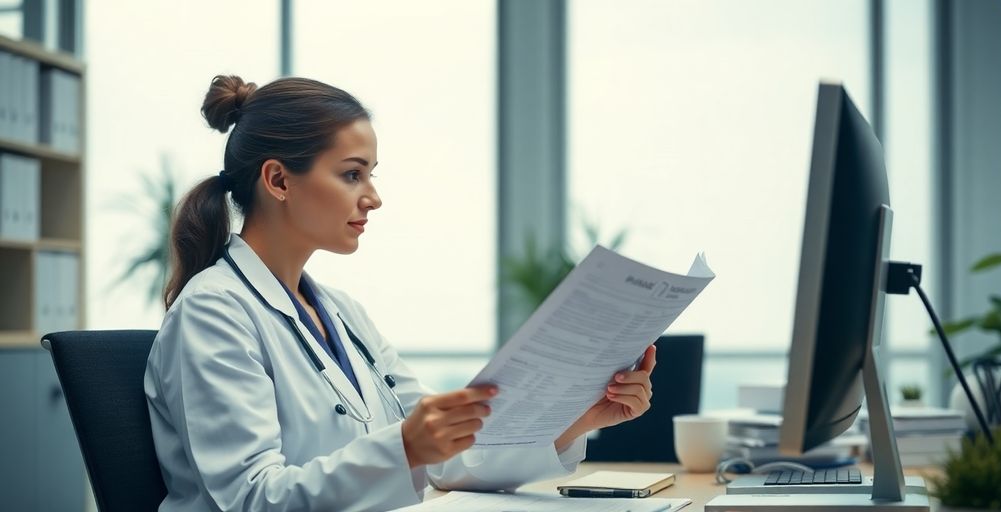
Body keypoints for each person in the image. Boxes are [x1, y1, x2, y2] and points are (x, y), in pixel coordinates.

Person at [144, 74, 657, 512]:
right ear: (278, 180)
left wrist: (573, 420)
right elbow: (253, 499)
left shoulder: (342, 314)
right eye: (351, 174)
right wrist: (404, 448)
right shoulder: (213, 312)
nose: (373, 197)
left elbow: (448, 459)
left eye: (370, 175)